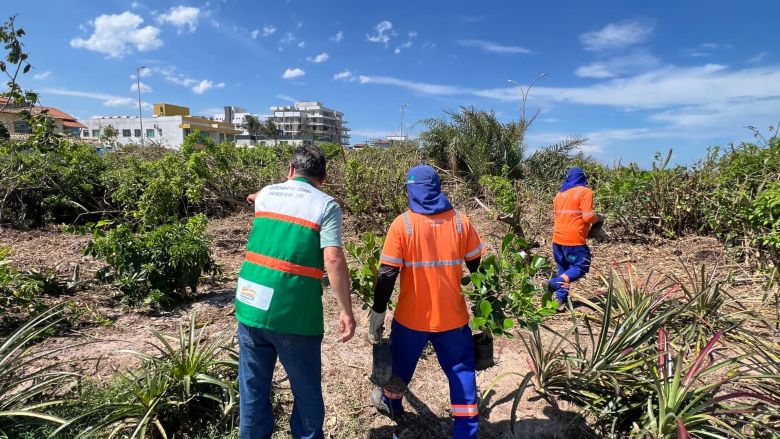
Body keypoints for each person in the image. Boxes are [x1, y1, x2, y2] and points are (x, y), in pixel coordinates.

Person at [236, 145, 355, 439]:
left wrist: (256, 195)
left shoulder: (265, 194)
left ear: (290, 170)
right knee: (305, 389)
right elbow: (333, 259)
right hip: (294, 313)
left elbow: (257, 198)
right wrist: (346, 310)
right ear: (323, 178)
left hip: (250, 304)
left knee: (252, 386)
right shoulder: (326, 206)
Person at [367, 165, 485, 439]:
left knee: (400, 367)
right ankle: (466, 432)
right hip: (453, 319)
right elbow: (479, 268)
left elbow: (387, 274)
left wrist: (378, 311)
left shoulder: (403, 224)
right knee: (462, 374)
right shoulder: (460, 222)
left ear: (410, 190)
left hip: (411, 319)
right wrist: (484, 306)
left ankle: (392, 404)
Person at [548, 166, 602, 308]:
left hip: (557, 241)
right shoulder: (585, 192)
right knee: (581, 265)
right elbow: (588, 217)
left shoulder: (559, 195)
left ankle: (559, 302)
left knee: (564, 270)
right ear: (582, 178)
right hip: (574, 241)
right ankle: (553, 283)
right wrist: (599, 218)